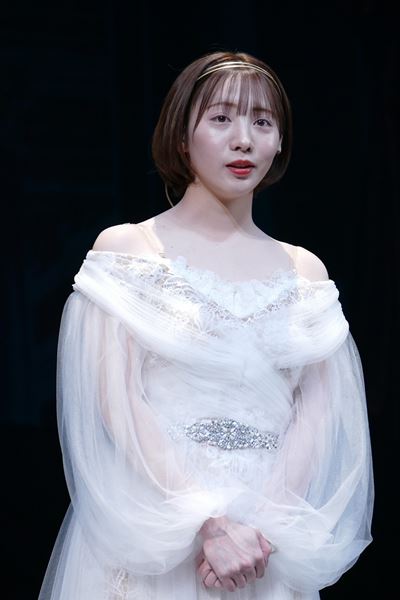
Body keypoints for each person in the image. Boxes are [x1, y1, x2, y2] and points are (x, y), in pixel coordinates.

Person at [38, 50, 374, 599]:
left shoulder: (305, 273)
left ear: (280, 142)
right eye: (221, 119)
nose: (244, 140)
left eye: (262, 122)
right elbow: (117, 404)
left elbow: (316, 417)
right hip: (154, 534)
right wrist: (207, 524)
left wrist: (257, 532)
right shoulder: (129, 251)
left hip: (260, 553)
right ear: (181, 136)